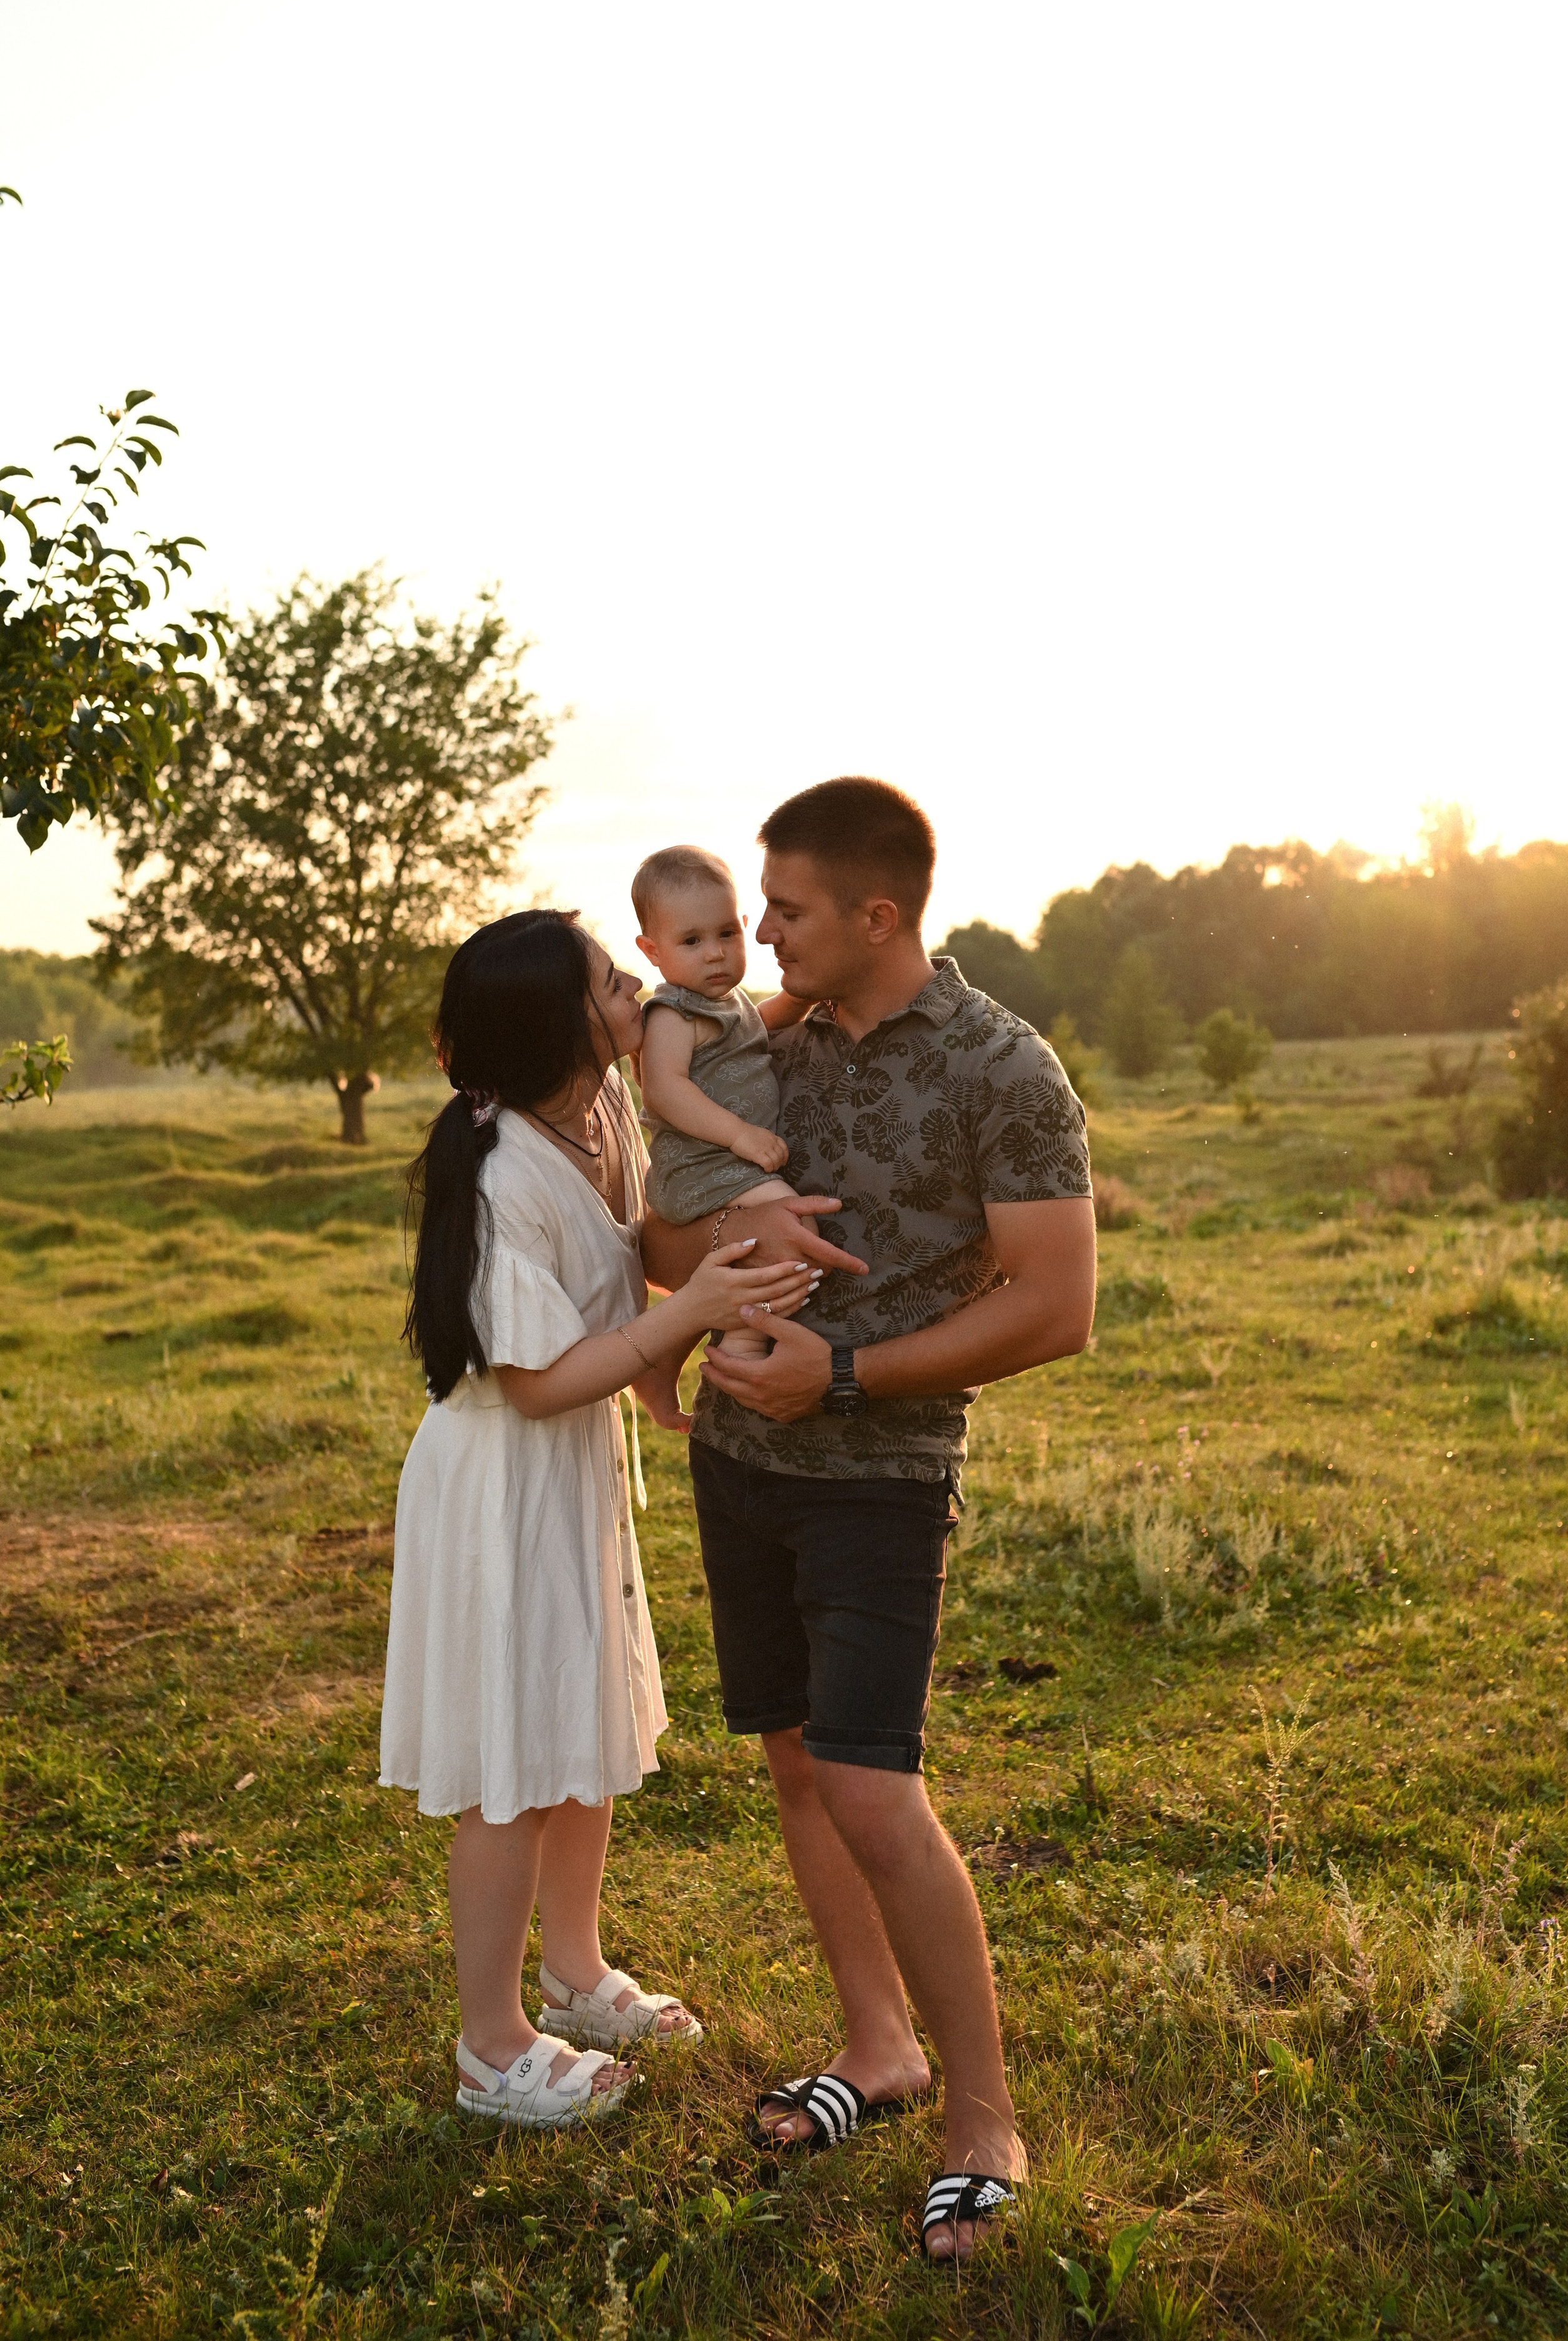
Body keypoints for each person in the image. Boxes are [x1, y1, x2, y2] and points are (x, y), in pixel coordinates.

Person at [642, 780, 1097, 2262]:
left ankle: (983, 2120)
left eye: (784, 910)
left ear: (875, 914)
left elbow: (1056, 1305)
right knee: (793, 1761)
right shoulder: (753, 1046)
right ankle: (874, 2045)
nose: (759, 933)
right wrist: (723, 1240)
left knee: (869, 1782)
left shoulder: (1000, 1067)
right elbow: (662, 1234)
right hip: (734, 1457)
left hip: (879, 1473)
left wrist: (836, 1373)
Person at [380, 909, 816, 2129]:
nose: (637, 990)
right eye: (611, 983)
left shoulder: (606, 1109)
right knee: (510, 1769)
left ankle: (574, 1971)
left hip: (570, 1468)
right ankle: (491, 2045)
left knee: (579, 1718)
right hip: (501, 1483)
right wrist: (687, 1316)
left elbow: (631, 1255)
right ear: (556, 1029)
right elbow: (534, 1379)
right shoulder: (498, 1170)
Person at [633, 843, 812, 1373]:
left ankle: (664, 1361)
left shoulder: (726, 1003)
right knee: (790, 1223)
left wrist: (801, 998)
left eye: (727, 934)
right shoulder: (673, 1013)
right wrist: (739, 1134)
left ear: (744, 926)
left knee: (758, 1239)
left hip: (727, 1166)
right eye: (692, 941)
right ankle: (742, 1337)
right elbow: (663, 1089)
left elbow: (761, 1024)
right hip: (700, 1166)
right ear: (652, 950)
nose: (714, 953)